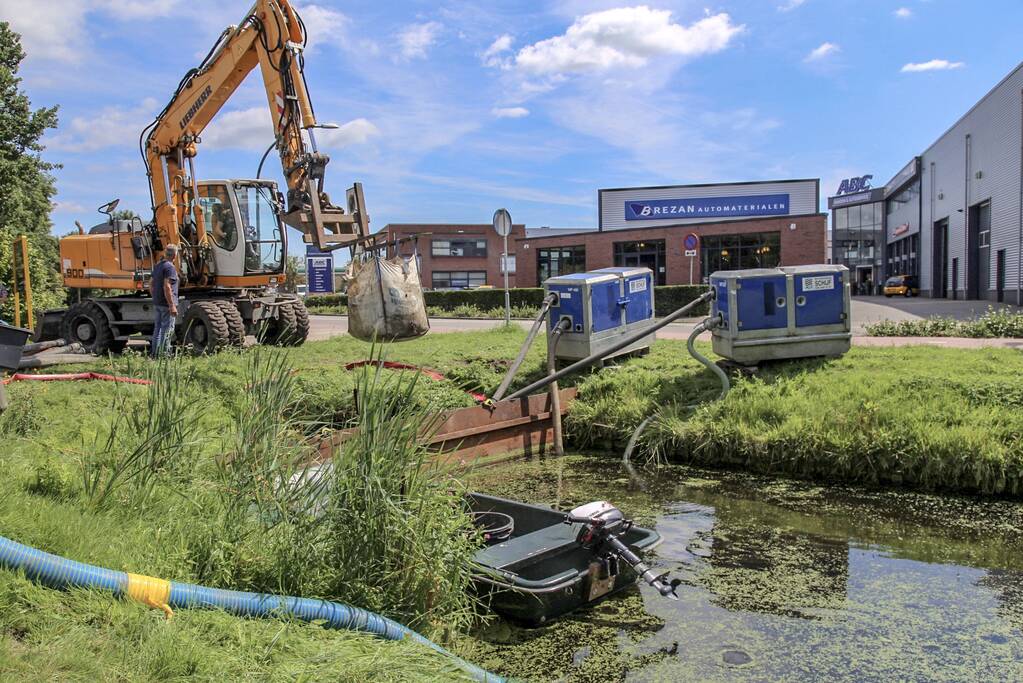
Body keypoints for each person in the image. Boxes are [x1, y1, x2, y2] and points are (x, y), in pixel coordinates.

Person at [150, 244, 180, 357]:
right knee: (167, 330)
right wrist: (171, 305)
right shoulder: (170, 268)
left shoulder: (158, 266)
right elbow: (167, 286)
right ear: (175, 255)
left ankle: (155, 354)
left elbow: (150, 284)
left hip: (157, 302)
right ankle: (164, 355)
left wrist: (155, 297)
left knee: (157, 329)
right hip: (166, 304)